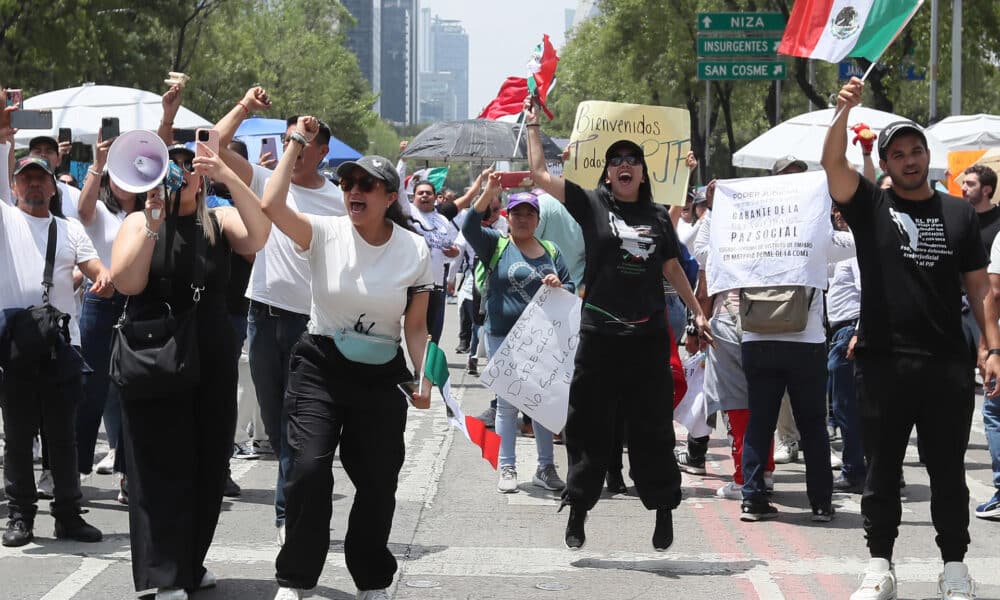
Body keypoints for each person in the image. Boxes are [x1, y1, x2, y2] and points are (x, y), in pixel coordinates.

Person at [823, 77, 1000, 600]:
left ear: (928, 156)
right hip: (881, 363)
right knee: (881, 471)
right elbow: (834, 166)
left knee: (948, 472)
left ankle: (954, 569)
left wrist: (991, 349)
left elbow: (979, 289)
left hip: (946, 364)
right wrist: (841, 113)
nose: (908, 160)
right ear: (887, 162)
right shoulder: (868, 206)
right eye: (897, 154)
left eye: (916, 150)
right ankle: (880, 566)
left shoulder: (961, 214)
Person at [523, 97, 712, 552]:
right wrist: (532, 127)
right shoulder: (590, 204)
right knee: (589, 426)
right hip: (600, 336)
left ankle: (664, 509)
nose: (624, 166)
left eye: (633, 160)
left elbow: (670, 268)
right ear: (607, 173)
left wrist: (697, 310)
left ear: (643, 173)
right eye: (616, 161)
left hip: (646, 338)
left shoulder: (656, 217)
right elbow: (539, 177)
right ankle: (580, 508)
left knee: (652, 428)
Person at [261, 119, 434, 600]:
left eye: (366, 184)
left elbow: (416, 327)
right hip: (320, 364)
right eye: (347, 182)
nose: (353, 190)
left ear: (389, 196)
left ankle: (372, 578)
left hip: (380, 372)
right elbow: (271, 205)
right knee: (310, 471)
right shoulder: (323, 231)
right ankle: (295, 578)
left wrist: (424, 379)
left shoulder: (416, 249)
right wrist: (296, 141)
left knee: (378, 481)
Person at [110, 142, 270, 600]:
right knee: (159, 463)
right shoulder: (138, 222)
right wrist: (154, 224)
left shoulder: (217, 221)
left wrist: (227, 174)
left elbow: (259, 236)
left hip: (210, 348)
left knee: (207, 460)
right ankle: (161, 574)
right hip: (155, 348)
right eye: (172, 166)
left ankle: (188, 562)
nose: (181, 173)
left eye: (188, 166)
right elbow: (127, 282)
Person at [215, 87, 345, 543]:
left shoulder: (339, 199)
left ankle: (291, 518)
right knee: (276, 427)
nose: (297, 145)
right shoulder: (268, 182)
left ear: (323, 151)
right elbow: (214, 145)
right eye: (292, 138)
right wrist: (247, 106)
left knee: (301, 427)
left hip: (310, 323)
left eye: (307, 141)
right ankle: (295, 512)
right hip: (262, 315)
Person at [0, 154, 108, 548]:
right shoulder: (6, 219)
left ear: (53, 187)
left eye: (40, 179)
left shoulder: (70, 229)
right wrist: (4, 133)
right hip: (17, 345)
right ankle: (20, 516)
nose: (33, 185)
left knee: (64, 436)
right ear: (13, 187)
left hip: (62, 345)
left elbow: (95, 266)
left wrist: (104, 279)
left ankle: (67, 515)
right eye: (25, 179)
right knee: (18, 435)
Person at [462, 181, 574, 494]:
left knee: (541, 406)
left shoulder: (551, 251)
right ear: (507, 217)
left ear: (538, 220)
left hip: (543, 342)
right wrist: (486, 193)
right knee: (508, 406)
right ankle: (507, 466)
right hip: (503, 337)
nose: (523, 218)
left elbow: (571, 285)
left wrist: (558, 285)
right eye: (517, 213)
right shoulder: (494, 244)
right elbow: (469, 224)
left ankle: (545, 467)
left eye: (529, 213)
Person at [75, 129, 142, 478]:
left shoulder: (150, 212)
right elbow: (82, 210)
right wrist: (98, 164)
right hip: (100, 302)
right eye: (118, 174)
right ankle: (76, 468)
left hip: (139, 305)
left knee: (134, 387)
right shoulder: (99, 208)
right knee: (92, 386)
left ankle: (129, 472)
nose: (124, 183)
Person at [27, 135, 81, 221]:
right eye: (37, 151)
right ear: (28, 159)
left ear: (58, 160)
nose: (43, 155)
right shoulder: (17, 191)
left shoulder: (76, 195)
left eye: (49, 151)